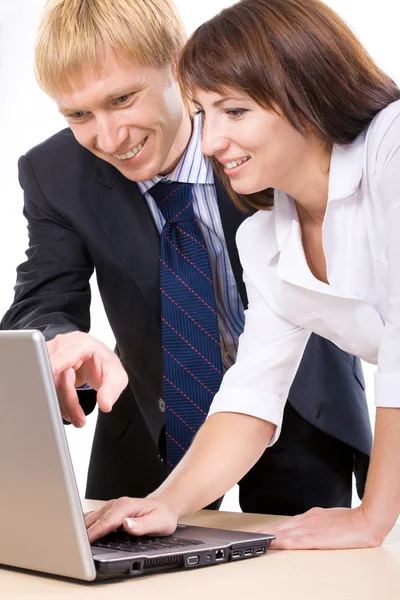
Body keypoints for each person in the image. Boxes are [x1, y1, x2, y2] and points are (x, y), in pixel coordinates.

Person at [1, 0, 370, 517]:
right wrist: (63, 342)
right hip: (152, 419)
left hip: (304, 403)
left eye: (123, 99)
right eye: (79, 114)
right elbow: (40, 297)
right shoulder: (54, 173)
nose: (108, 138)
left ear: (179, 65)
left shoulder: (265, 143)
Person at [83, 0, 400, 550]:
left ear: (307, 87)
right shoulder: (266, 240)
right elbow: (253, 393)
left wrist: (373, 515)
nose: (208, 143)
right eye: (202, 114)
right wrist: (167, 502)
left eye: (234, 111)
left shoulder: (391, 150)